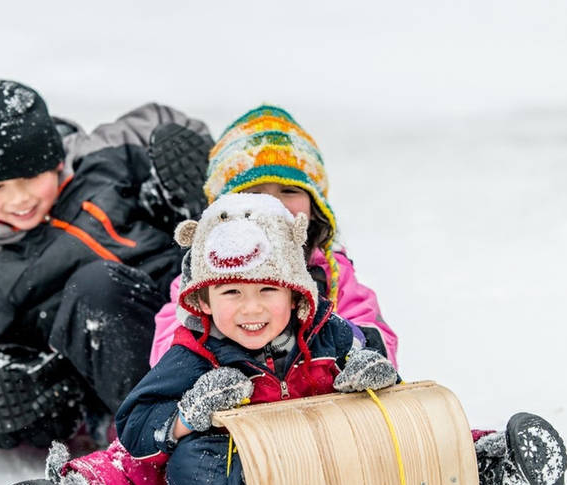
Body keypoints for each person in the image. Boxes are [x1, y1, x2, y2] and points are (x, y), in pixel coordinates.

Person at [0, 194, 567, 485]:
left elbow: (379, 369)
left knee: (407, 434)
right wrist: (187, 415)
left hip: (335, 455)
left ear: (296, 294)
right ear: (205, 299)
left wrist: (372, 375)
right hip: (237, 471)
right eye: (232, 293)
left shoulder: (328, 335)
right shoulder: (195, 355)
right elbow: (136, 424)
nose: (251, 308)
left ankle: (496, 479)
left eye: (267, 291)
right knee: (155, 471)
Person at [0, 79, 213, 448]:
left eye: (30, 177)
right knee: (95, 287)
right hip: (126, 362)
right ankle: (150, 433)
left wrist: (182, 169)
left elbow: (168, 124)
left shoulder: (101, 157)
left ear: (54, 159)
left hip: (196, 305)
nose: (17, 199)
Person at [149, 104, 397, 368]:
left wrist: (356, 352)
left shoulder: (332, 274)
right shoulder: (204, 273)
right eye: (254, 192)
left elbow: (377, 334)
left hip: (317, 403)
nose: (273, 203)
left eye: (289, 190)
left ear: (315, 208)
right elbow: (167, 347)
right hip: (237, 403)